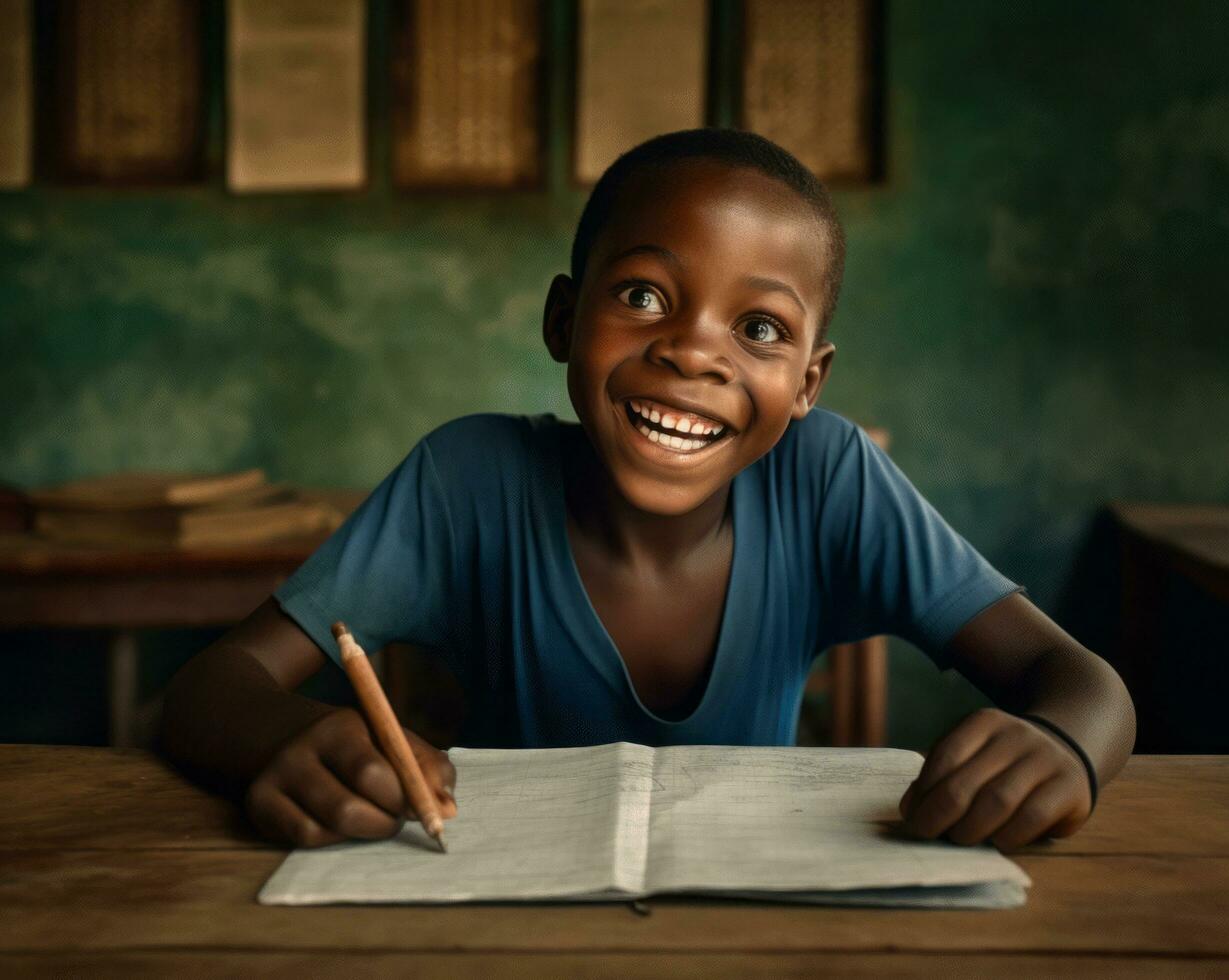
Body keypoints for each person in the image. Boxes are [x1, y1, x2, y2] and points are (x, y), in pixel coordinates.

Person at [161, 128, 1136, 852]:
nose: (691, 351)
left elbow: (1085, 684)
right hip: (495, 910)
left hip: (751, 920)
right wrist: (289, 735)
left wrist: (1061, 745)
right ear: (561, 317)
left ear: (806, 382)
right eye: (641, 296)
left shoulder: (827, 479)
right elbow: (209, 688)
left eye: (758, 328)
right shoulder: (466, 481)